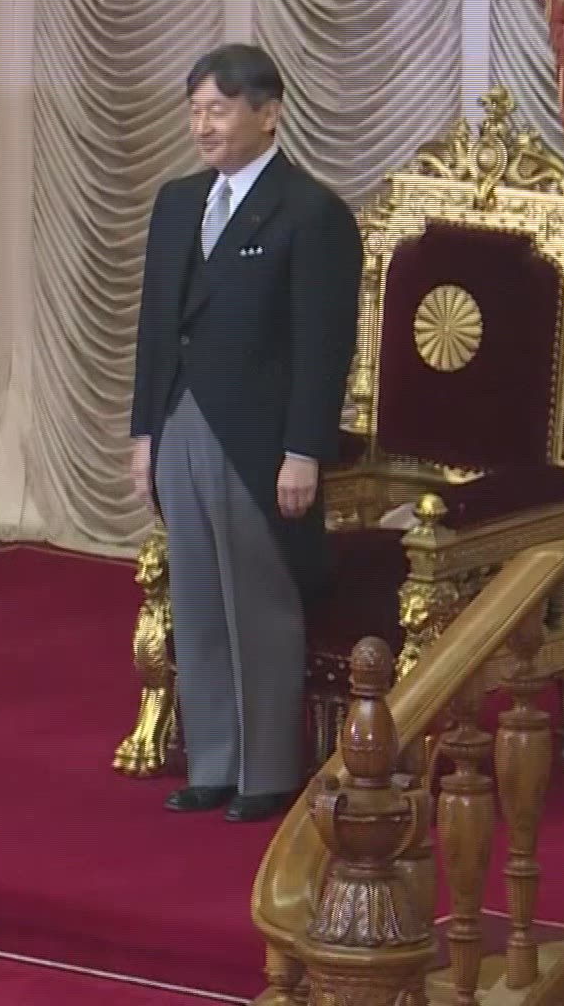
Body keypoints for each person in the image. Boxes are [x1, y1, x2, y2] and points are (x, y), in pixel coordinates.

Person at [128, 43, 361, 823]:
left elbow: (323, 347)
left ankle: (265, 772)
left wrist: (304, 450)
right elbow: (155, 328)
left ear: (268, 113)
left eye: (218, 111)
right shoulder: (176, 202)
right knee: (196, 599)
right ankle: (214, 763)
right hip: (181, 423)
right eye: (195, 111)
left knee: (257, 602)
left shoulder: (311, 213)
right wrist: (144, 434)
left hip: (261, 440)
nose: (203, 126)